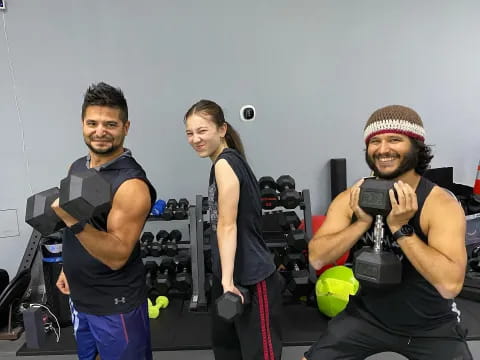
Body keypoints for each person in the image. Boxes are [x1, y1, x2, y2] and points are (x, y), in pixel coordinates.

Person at [304, 105, 472, 360]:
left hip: (432, 325)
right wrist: (361, 222)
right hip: (367, 317)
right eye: (375, 141)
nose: (383, 149)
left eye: (395, 139)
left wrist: (400, 227)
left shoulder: (440, 205)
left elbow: (450, 285)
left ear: (416, 147)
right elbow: (316, 258)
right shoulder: (351, 198)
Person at [51, 82, 156, 360]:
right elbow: (83, 230)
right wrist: (67, 267)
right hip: (80, 297)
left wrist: (71, 220)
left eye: (110, 124)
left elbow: (118, 255)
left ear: (126, 127)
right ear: (82, 124)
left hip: (115, 304)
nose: (100, 131)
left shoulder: (131, 184)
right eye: (92, 123)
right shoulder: (77, 166)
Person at [184, 99, 283, 360]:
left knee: (261, 354)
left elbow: (227, 226)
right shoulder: (226, 162)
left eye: (202, 131)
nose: (195, 139)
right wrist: (223, 278)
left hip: (249, 276)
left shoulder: (225, 164)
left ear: (222, 129)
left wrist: (227, 281)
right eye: (190, 133)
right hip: (228, 274)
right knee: (228, 349)